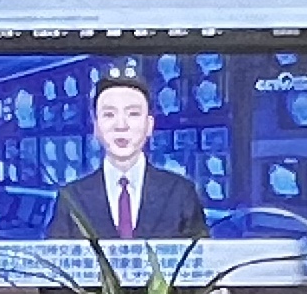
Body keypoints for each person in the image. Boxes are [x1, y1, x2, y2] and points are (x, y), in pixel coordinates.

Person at [44, 62, 212, 249]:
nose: (121, 125)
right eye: (109, 115)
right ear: (96, 126)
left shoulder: (180, 192)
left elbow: (201, 259)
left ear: (149, 125)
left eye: (133, 114)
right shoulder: (71, 197)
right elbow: (54, 259)